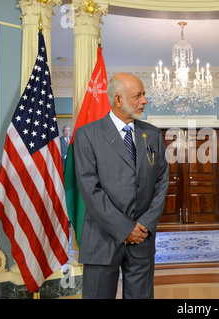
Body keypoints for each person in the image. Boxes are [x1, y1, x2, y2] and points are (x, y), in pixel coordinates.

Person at [73, 72, 169, 299]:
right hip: (102, 238)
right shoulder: (87, 135)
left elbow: (161, 181)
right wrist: (125, 229)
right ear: (118, 99)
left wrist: (143, 225)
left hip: (142, 239)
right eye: (138, 96)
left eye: (144, 95)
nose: (144, 100)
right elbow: (90, 189)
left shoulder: (152, 134)